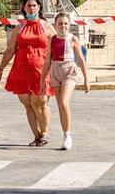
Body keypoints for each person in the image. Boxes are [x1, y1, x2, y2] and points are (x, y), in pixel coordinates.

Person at [0, 0, 54, 146]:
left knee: (39, 101)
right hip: (21, 70)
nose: (31, 8)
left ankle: (44, 133)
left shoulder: (47, 26)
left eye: (34, 5)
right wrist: (1, 68)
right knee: (28, 103)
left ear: (39, 7)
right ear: (24, 8)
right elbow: (10, 50)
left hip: (42, 71)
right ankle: (37, 136)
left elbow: (58, 46)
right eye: (28, 5)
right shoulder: (19, 27)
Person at [39, 12, 91, 150]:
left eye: (66, 23)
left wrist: (87, 79)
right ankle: (65, 135)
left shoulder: (72, 39)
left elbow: (81, 59)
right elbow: (47, 60)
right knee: (60, 106)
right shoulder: (52, 39)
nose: (63, 26)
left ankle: (68, 136)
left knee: (64, 101)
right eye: (60, 23)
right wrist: (42, 79)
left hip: (69, 70)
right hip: (55, 70)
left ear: (69, 25)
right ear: (55, 25)